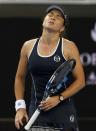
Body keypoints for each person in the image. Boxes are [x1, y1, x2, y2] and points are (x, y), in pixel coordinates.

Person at [14, 5, 85, 131]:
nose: (53, 17)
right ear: (43, 20)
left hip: (63, 114)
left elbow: (80, 81)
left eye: (58, 16)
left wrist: (59, 98)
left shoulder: (69, 47)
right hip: (36, 113)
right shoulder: (28, 46)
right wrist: (20, 107)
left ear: (62, 28)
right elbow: (20, 78)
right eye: (50, 14)